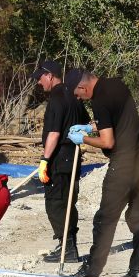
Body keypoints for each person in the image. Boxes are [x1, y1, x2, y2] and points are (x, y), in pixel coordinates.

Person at [68, 70, 139, 277]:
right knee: (138, 215)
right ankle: (138, 270)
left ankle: (92, 270)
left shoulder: (99, 100)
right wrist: (91, 126)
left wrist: (84, 138)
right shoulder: (117, 84)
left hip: (124, 163)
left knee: (105, 218)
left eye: (78, 95)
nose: (79, 99)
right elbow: (114, 119)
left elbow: (108, 142)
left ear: (83, 87)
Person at [31, 60, 90, 262]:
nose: (39, 82)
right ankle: (68, 246)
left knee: (56, 202)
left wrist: (45, 160)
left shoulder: (56, 98)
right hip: (73, 155)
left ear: (49, 75)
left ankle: (68, 248)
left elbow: (54, 133)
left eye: (40, 78)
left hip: (59, 156)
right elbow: (86, 122)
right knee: (68, 201)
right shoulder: (74, 96)